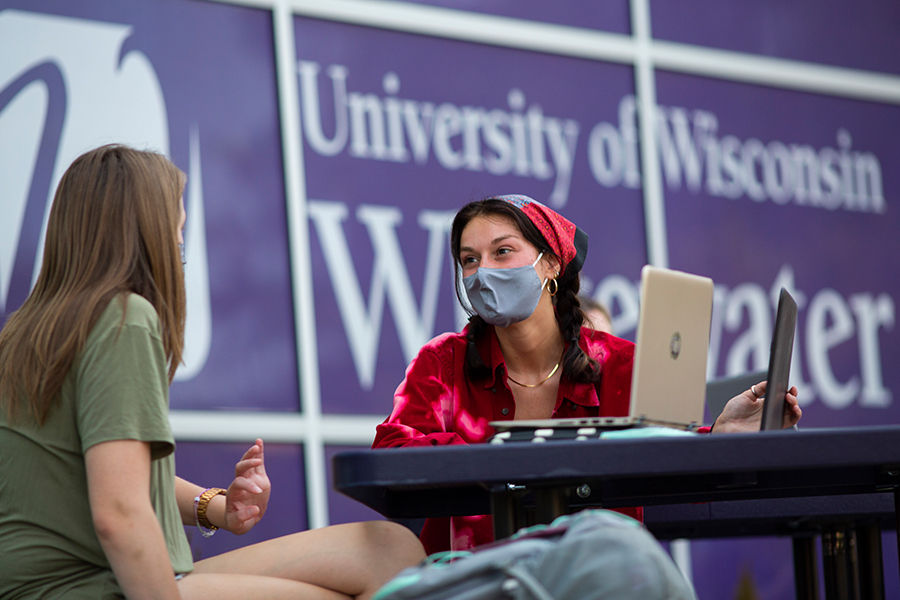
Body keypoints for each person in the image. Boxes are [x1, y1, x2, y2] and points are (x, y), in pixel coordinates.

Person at [0, 145, 425, 600]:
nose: (180, 249)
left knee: (388, 549)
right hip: (84, 587)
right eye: (177, 231)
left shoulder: (28, 331)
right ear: (146, 234)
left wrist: (217, 508)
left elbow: (110, 475)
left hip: (69, 582)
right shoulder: (124, 318)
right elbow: (119, 513)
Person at [372, 194, 801, 554]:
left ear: (550, 265)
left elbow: (664, 463)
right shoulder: (442, 360)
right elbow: (391, 452)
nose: (483, 270)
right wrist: (501, 458)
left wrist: (719, 441)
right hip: (470, 581)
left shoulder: (622, 364)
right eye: (469, 259)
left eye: (502, 251)